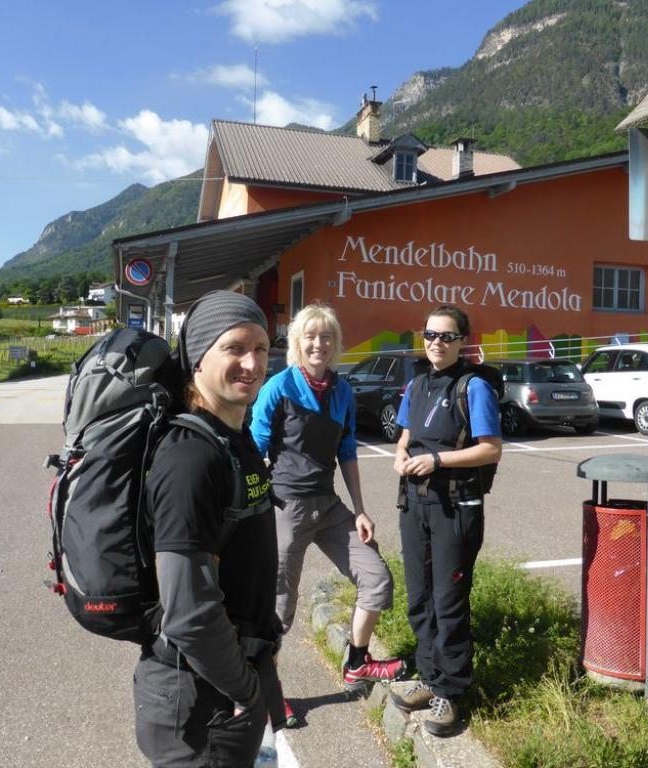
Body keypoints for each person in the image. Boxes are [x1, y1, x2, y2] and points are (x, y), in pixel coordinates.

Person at [133, 290, 283, 768]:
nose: (252, 363)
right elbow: (188, 613)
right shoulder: (190, 458)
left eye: (261, 348)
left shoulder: (231, 437)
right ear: (198, 357)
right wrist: (246, 689)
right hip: (202, 700)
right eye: (234, 348)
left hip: (224, 678)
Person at [250, 303, 406, 721]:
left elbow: (347, 450)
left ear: (336, 344)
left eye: (326, 337)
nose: (318, 344)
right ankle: (266, 692)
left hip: (328, 504)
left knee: (376, 577)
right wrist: (251, 507)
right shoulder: (279, 387)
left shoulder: (342, 391)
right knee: (279, 605)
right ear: (297, 342)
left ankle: (357, 661)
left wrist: (360, 510)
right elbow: (254, 447)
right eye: (310, 336)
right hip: (286, 506)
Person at [389, 305, 502, 737]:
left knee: (448, 600)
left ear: (462, 342)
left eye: (447, 336)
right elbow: (405, 436)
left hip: (455, 507)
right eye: (431, 334)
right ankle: (429, 675)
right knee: (419, 597)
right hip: (415, 503)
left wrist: (437, 460)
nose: (437, 342)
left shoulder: (473, 387)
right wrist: (401, 455)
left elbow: (490, 449)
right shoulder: (417, 384)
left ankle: (450, 692)